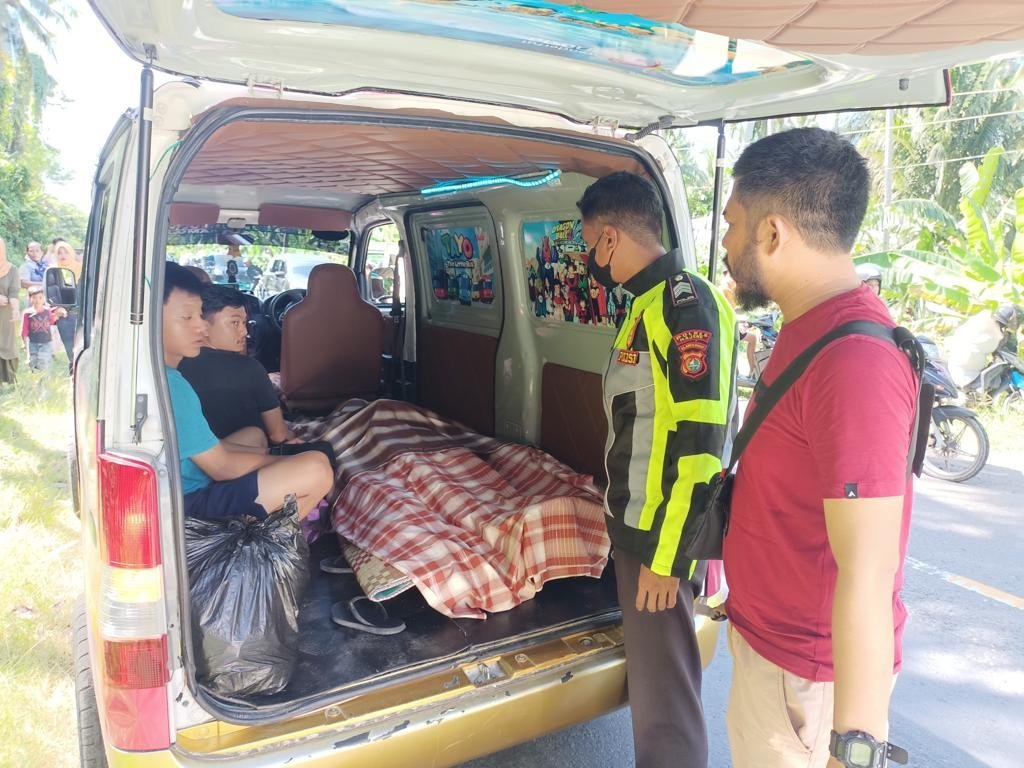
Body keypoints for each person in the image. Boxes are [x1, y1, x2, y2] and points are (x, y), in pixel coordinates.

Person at [720, 128, 917, 768]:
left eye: (732, 225)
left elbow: (869, 571)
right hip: (775, 655)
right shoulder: (808, 327)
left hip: (806, 682)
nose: (724, 244)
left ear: (772, 233)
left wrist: (855, 747)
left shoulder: (854, 362)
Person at [576, 171, 738, 768]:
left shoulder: (682, 305)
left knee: (665, 709)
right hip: (639, 530)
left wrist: (667, 560)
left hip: (659, 540)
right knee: (653, 696)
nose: (590, 261)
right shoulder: (645, 306)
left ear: (611, 238)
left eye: (590, 245)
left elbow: (700, 447)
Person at [163, 262, 333, 521]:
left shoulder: (165, 375)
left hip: (184, 483)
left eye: (199, 315)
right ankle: (257, 540)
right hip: (191, 504)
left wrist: (269, 456)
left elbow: (215, 450)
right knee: (317, 468)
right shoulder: (173, 386)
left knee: (254, 435)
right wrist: (286, 461)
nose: (201, 327)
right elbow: (221, 467)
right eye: (187, 317)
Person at [179, 284, 298, 446]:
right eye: (234, 323)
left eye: (244, 322)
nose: (245, 332)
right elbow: (278, 435)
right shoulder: (250, 369)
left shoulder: (175, 366)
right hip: (251, 454)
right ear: (203, 325)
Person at [946, 302, 1021, 388]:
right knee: (999, 369)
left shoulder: (983, 318)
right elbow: (1004, 351)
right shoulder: (998, 334)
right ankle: (976, 389)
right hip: (966, 370)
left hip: (953, 357)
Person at [21, 287, 67, 371]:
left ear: (44, 299)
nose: (37, 300)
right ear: (30, 299)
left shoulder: (47, 311)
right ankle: (34, 376)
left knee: (44, 360)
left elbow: (51, 321)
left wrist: (59, 314)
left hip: (46, 342)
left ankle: (44, 377)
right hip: (33, 342)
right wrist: (24, 343)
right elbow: (24, 330)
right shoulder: (27, 313)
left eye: (40, 297)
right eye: (34, 298)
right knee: (32, 361)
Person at [52, 240, 82, 370]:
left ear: (72, 253)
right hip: (65, 318)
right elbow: (50, 293)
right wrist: (57, 308)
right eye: (59, 253)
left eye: (66, 252)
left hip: (83, 316)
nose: (63, 255)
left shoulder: (82, 269)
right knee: (71, 351)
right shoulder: (54, 272)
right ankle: (73, 374)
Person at [0, 237, 21, 385]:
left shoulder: (12, 269)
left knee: (7, 345)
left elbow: (14, 292)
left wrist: (15, 309)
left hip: (5, 314)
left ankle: (8, 379)